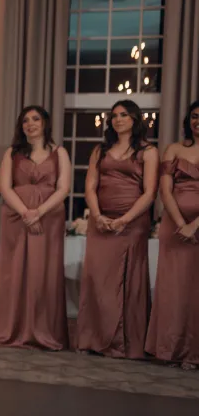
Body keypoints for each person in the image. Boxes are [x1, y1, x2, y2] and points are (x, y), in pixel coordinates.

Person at [0, 106, 70, 351]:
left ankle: (42, 330)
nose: (30, 124)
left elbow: (63, 188)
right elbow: (5, 187)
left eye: (35, 119)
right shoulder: (12, 153)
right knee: (14, 269)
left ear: (45, 123)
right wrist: (25, 212)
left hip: (48, 217)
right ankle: (9, 327)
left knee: (43, 271)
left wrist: (39, 212)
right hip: (16, 216)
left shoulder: (59, 152)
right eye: (25, 121)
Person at [77, 100, 158, 359]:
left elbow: (150, 193)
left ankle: (124, 343)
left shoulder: (149, 151)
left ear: (135, 119)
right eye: (114, 115)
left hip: (132, 223)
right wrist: (97, 215)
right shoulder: (100, 150)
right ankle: (94, 338)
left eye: (124, 115)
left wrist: (125, 220)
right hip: (101, 221)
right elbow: (90, 186)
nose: (118, 119)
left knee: (128, 280)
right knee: (98, 280)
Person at [147, 100, 199, 368]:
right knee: (174, 287)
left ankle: (193, 351)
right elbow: (165, 190)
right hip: (175, 225)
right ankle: (169, 348)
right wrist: (181, 223)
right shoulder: (174, 149)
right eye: (194, 116)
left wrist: (195, 225)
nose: (197, 121)